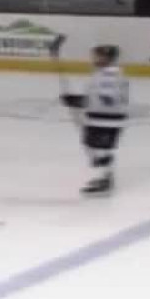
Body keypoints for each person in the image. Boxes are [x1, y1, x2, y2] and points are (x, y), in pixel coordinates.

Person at [60, 45, 129, 195]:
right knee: (93, 147)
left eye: (98, 56)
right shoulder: (103, 73)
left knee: (99, 150)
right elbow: (98, 96)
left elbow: (108, 100)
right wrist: (77, 100)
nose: (94, 59)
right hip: (100, 117)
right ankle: (106, 177)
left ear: (107, 58)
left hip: (107, 119)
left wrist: (79, 101)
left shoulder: (110, 75)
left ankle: (106, 181)